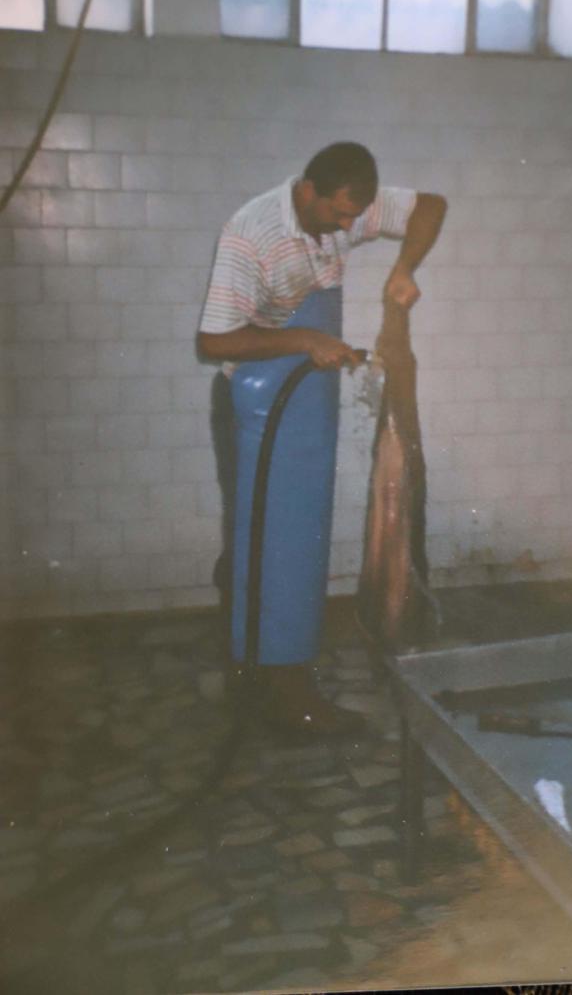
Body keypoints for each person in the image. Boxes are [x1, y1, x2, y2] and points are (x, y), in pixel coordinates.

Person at [198, 142, 446, 738]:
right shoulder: (250, 234)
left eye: (354, 217)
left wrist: (405, 267)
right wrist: (306, 340)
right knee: (262, 538)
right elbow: (213, 341)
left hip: (303, 396)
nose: (345, 227)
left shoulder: (344, 207)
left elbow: (431, 207)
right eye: (337, 213)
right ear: (308, 190)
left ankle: (260, 671)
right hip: (255, 401)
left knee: (286, 537)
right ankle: (270, 682)